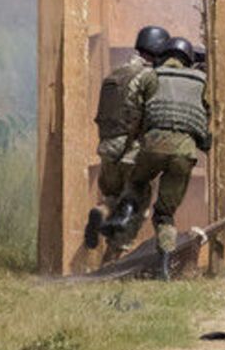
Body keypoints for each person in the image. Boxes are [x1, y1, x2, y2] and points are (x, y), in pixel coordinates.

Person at [106, 35, 212, 280]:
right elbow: (206, 118)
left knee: (136, 186)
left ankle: (118, 240)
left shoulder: (152, 77)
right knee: (165, 214)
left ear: (163, 56)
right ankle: (164, 267)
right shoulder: (201, 80)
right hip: (184, 152)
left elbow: (135, 113)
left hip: (152, 148)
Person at [84, 24, 168, 253]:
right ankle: (115, 262)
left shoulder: (114, 75)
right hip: (133, 153)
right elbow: (154, 114)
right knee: (136, 208)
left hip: (109, 150)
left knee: (112, 197)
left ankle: (101, 212)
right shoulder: (149, 77)